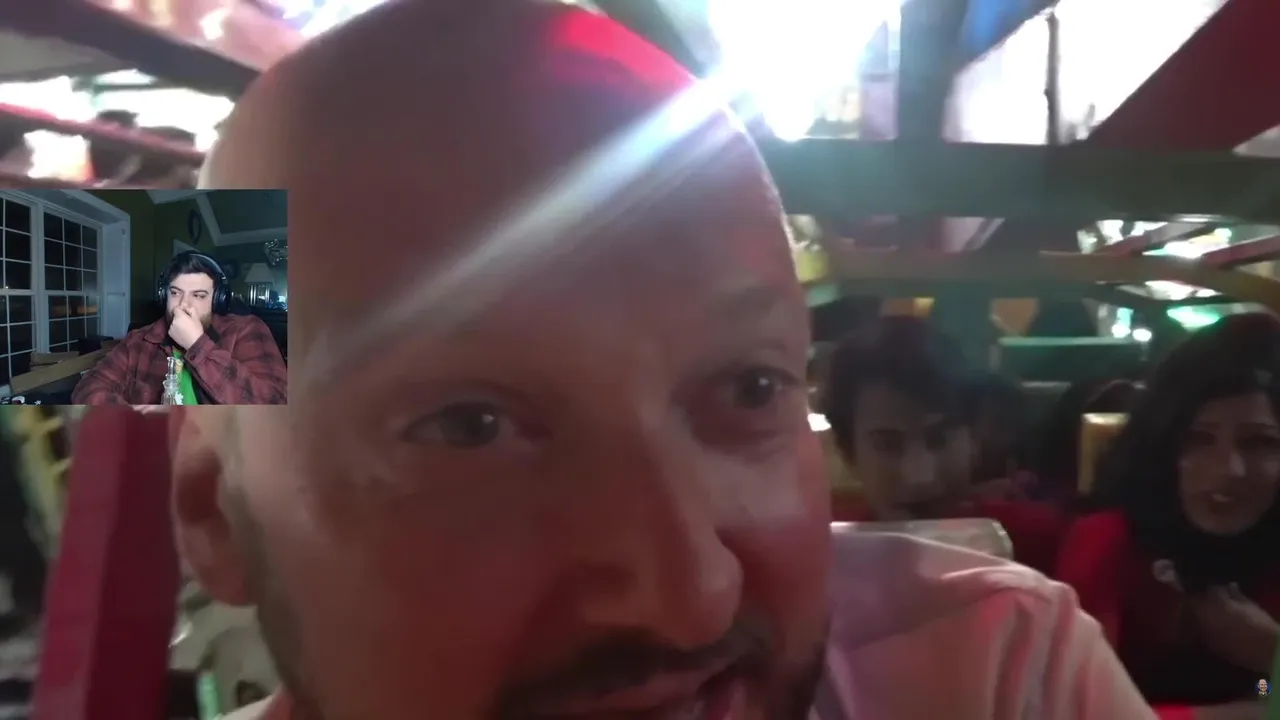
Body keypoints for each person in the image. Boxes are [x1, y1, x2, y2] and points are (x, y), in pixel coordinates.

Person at [176, 2, 1157, 718]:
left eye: (749, 388)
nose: (691, 596)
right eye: (468, 427)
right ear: (214, 514)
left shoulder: (994, 676)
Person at [1057, 314, 1280, 719]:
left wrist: (1271, 658)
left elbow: (1265, 689)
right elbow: (1078, 711)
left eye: (1259, 442)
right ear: (1163, 445)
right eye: (1199, 439)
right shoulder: (1111, 542)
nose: (1230, 469)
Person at [821, 317, 1067, 574]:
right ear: (848, 452)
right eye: (887, 444)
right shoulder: (824, 557)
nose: (921, 477)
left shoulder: (1041, 545)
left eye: (939, 438)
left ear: (973, 438)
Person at [71, 251, 287, 405]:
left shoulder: (246, 330)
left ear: (217, 300)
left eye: (198, 295)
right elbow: (89, 387)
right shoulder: (138, 340)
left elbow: (274, 404)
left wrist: (197, 345)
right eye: (175, 293)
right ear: (163, 296)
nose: (184, 305)